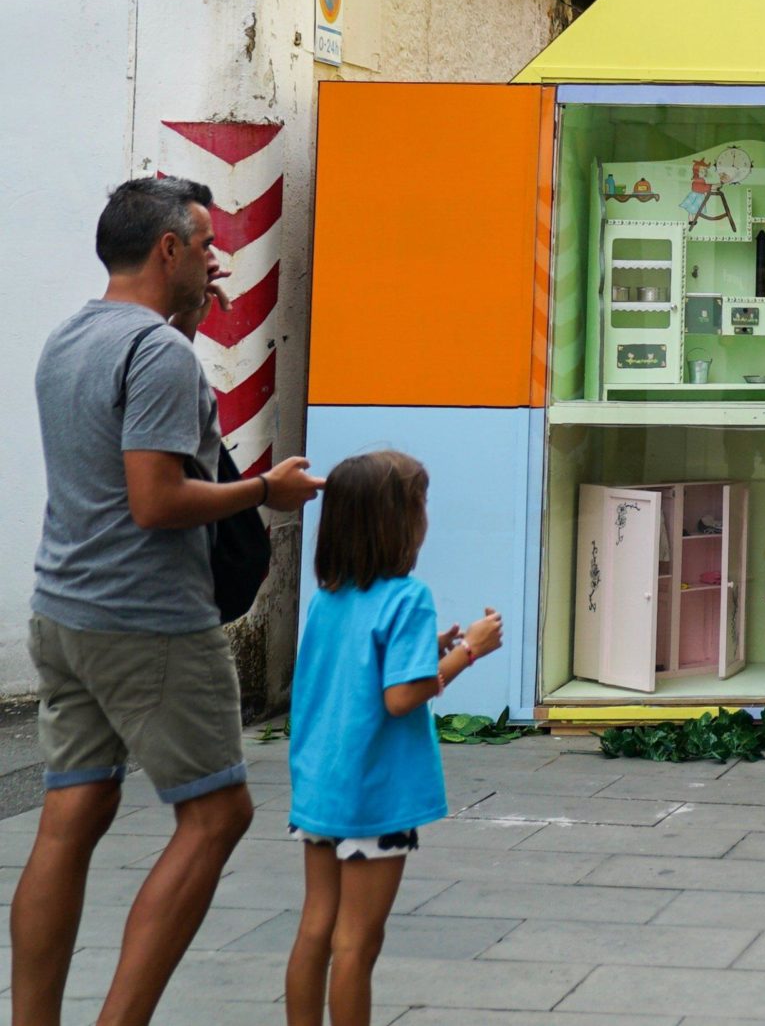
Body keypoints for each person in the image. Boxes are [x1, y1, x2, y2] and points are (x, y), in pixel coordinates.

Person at [14, 178, 324, 1026]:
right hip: (145, 619)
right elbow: (155, 500)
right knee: (218, 812)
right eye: (208, 244)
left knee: (75, 809)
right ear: (168, 250)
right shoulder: (157, 355)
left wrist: (183, 328)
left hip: (64, 609)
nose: (218, 261)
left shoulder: (70, 337)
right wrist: (265, 488)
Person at [286, 450, 503, 1026]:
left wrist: (425, 649)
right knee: (357, 943)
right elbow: (401, 697)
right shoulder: (408, 597)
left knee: (315, 928)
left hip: (321, 788)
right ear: (401, 520)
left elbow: (356, 676)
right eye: (421, 504)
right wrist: (468, 650)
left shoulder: (328, 597)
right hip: (375, 797)